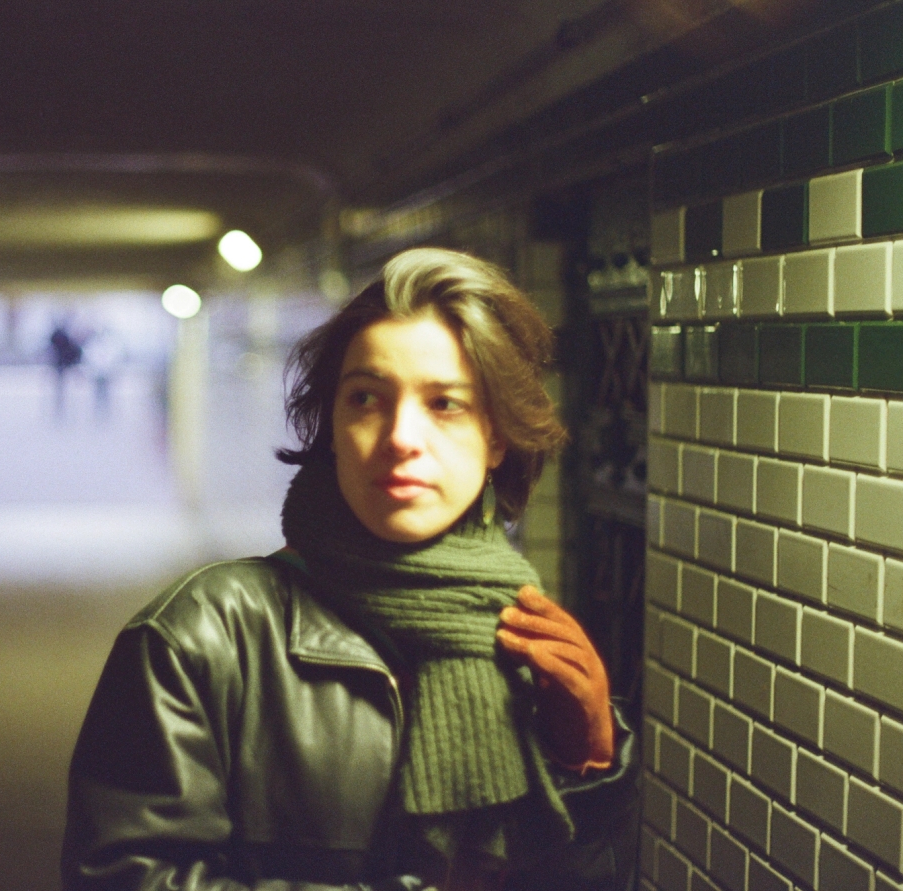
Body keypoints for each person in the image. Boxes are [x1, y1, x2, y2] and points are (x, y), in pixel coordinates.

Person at [62, 248, 638, 891]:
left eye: (445, 404)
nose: (400, 437)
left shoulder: (521, 632)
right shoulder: (203, 637)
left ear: (496, 437)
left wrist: (590, 763)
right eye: (367, 398)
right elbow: (123, 876)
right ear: (333, 426)